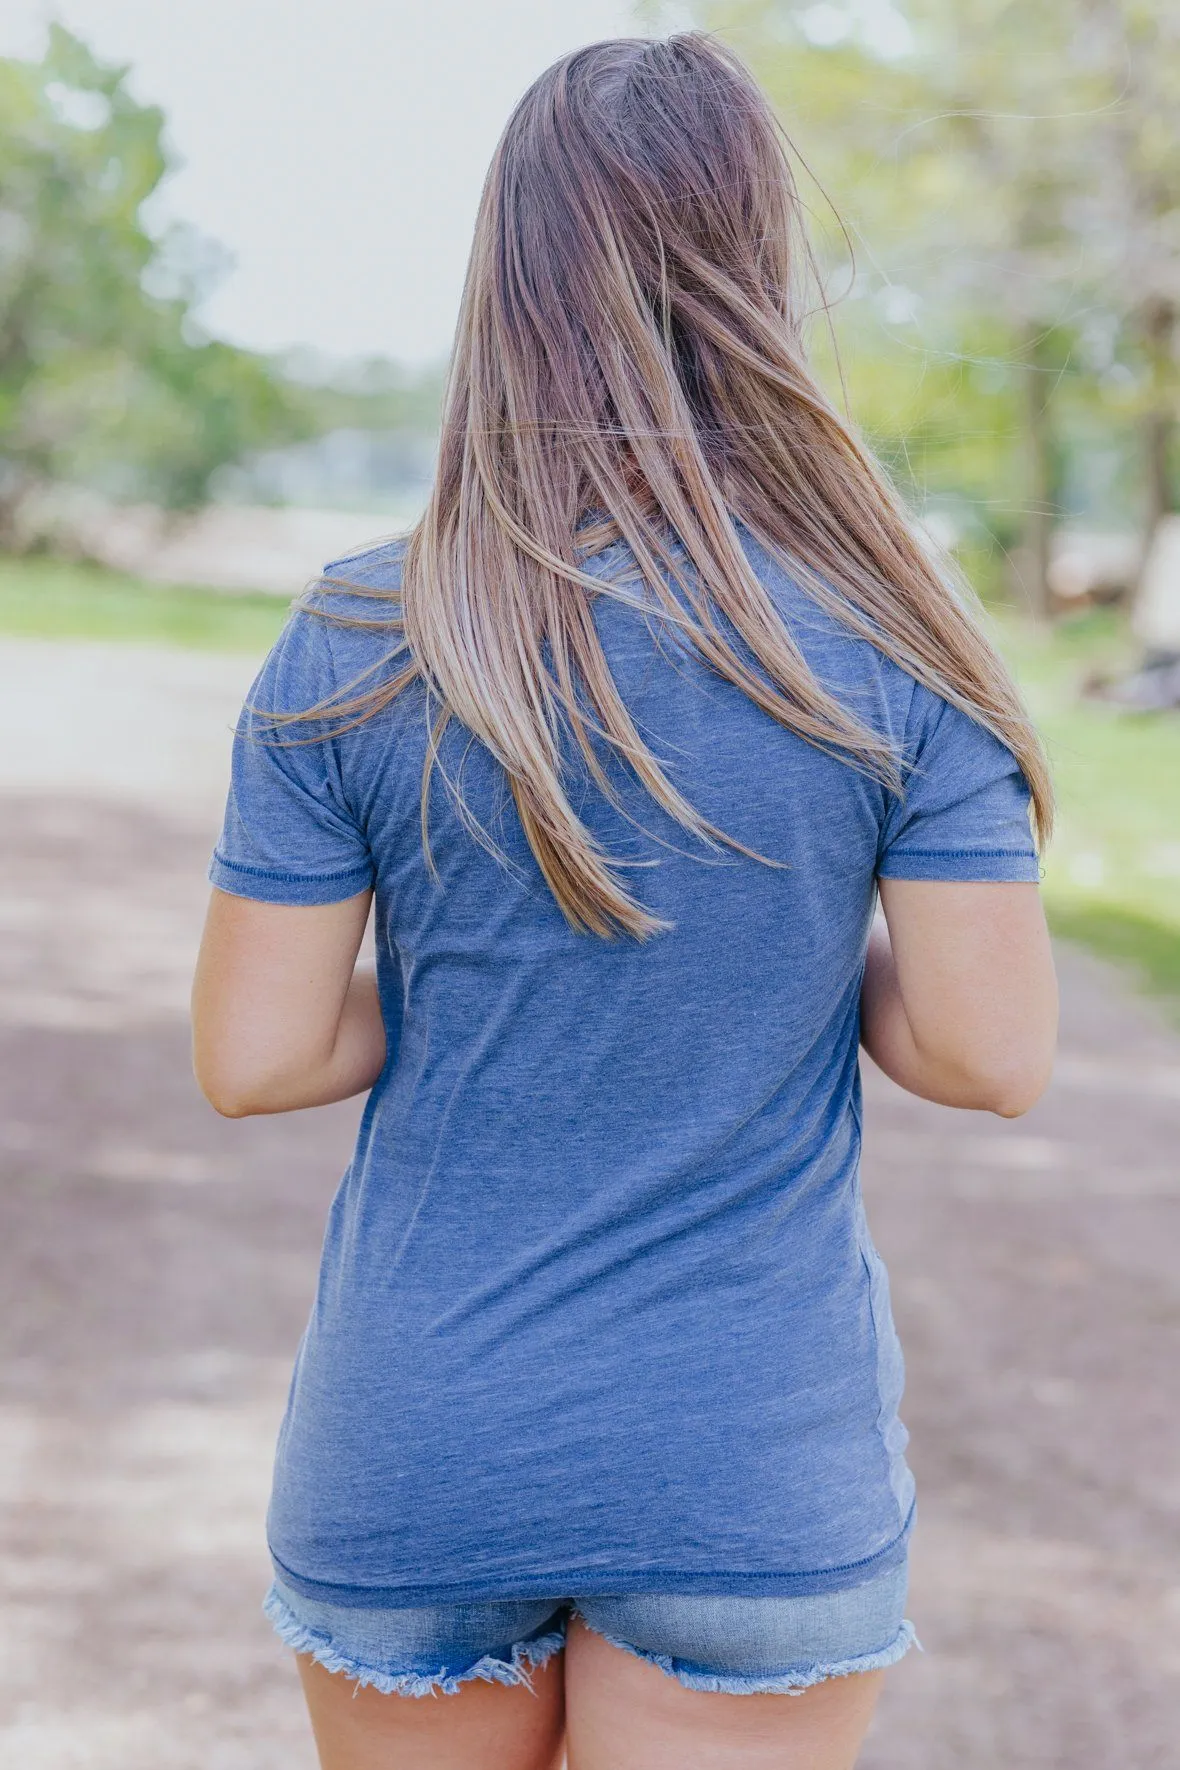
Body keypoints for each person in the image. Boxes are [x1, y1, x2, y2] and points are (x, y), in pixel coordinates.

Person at [191, 31, 1058, 1770]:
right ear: (761, 267)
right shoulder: (893, 630)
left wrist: (470, 973)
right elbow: (984, 1051)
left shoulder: (360, 635)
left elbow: (259, 1056)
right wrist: (796, 956)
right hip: (750, 1451)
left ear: (507, 273)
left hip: (421, 1436)